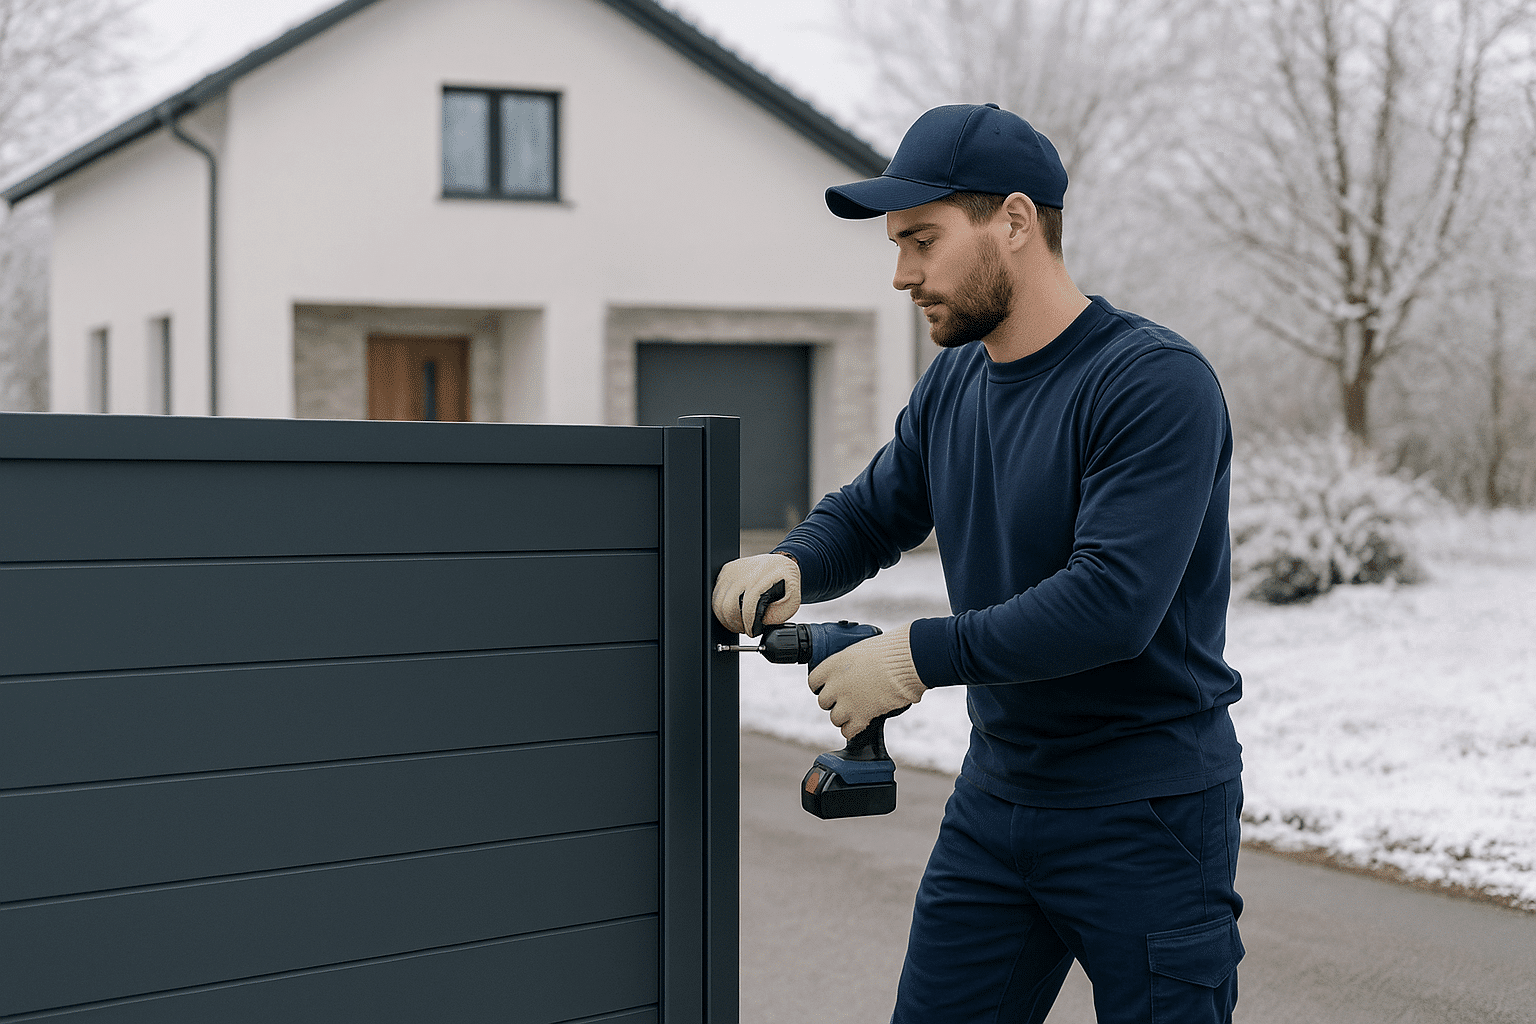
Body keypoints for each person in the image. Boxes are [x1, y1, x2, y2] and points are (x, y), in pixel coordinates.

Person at [712, 103, 1245, 1024]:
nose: (901, 276)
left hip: (1146, 810)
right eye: (896, 246)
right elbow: (878, 510)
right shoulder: (957, 381)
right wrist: (796, 562)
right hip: (998, 798)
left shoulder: (1152, 384)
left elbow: (1112, 602)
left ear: (1014, 220)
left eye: (922, 241)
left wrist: (915, 656)